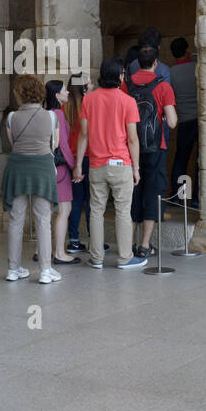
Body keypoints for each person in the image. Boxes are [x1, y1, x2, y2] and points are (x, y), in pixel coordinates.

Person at [73, 58, 149, 269]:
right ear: (119, 77)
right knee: (123, 211)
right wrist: (136, 168)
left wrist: (79, 164)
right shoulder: (128, 101)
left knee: (96, 210)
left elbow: (84, 135)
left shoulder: (89, 100)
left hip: (96, 163)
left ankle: (96, 258)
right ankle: (125, 257)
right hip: (120, 163)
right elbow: (133, 139)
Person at [1, 74, 60, 284]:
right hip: (42, 168)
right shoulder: (51, 117)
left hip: (18, 169)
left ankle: (13, 268)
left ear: (20, 93)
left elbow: (13, 144)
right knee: (43, 219)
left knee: (16, 220)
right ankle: (45, 270)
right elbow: (54, 144)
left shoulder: (11, 118)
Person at [128, 45, 178, 257]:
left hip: (129, 147)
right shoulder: (163, 86)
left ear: (138, 62)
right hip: (156, 147)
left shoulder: (126, 84)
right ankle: (145, 245)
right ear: (156, 63)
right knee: (153, 192)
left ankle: (128, 244)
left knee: (131, 194)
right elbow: (173, 122)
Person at [44, 79, 81, 268]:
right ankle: (59, 252)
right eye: (65, 90)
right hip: (60, 169)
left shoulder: (46, 114)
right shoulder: (58, 114)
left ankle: (41, 251)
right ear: (57, 95)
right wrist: (76, 166)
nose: (67, 93)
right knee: (64, 210)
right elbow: (63, 146)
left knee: (47, 211)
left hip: (46, 168)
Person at [168, 37, 199, 206]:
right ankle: (198, 197)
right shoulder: (196, 67)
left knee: (181, 159)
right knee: (201, 161)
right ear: (187, 50)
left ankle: (177, 195)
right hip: (200, 119)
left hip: (184, 120)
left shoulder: (171, 73)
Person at [64, 80, 92, 253]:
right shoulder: (89, 105)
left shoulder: (64, 108)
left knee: (75, 200)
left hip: (70, 159)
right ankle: (93, 240)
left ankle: (73, 239)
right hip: (89, 156)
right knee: (92, 201)